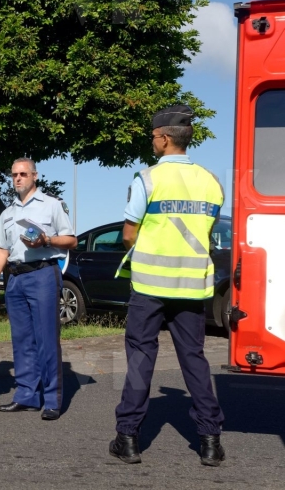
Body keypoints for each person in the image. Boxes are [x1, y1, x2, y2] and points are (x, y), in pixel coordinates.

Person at [109, 105, 226, 467]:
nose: (152, 142)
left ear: (162, 138)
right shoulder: (211, 181)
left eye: (152, 137)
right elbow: (206, 231)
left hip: (149, 287)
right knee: (194, 360)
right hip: (190, 288)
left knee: (141, 359)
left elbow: (129, 235)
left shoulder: (147, 179)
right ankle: (210, 441)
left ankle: (128, 439)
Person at [0, 158, 76, 421]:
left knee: (46, 339)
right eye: (14, 174)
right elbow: (2, 250)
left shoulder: (52, 205)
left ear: (34, 176)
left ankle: (51, 400)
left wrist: (47, 239)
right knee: (22, 341)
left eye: (23, 174)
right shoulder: (8, 212)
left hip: (43, 275)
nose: (17, 178)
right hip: (15, 279)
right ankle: (26, 395)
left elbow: (71, 239)